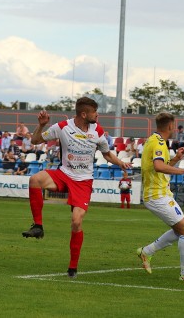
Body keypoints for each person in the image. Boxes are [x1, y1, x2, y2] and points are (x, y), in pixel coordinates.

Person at [21, 97, 131, 279]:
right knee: (35, 179)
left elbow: (107, 154)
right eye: (95, 112)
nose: (97, 115)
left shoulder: (98, 131)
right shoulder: (63, 126)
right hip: (64, 173)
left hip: (83, 181)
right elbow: (34, 140)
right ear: (84, 114)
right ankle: (38, 226)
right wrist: (41, 126)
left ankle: (72, 267)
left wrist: (120, 163)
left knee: (76, 221)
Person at [136, 112, 184, 283]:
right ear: (170, 126)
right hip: (156, 195)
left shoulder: (155, 141)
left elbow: (159, 166)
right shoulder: (158, 142)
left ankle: (147, 252)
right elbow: (159, 167)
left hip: (162, 193)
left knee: (179, 230)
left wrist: (175, 159)